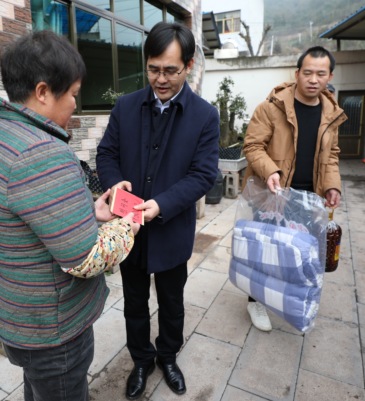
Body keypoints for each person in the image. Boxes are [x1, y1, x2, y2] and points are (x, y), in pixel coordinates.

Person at [0, 31, 140, 401]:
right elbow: (86, 258)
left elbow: (32, 215)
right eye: (74, 95)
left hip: (19, 317)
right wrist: (126, 224)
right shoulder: (42, 152)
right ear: (44, 91)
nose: (75, 107)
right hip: (53, 329)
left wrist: (92, 211)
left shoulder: (2, 131)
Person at [96, 22, 220, 400]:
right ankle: (141, 360)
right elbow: (106, 153)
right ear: (146, 63)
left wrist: (162, 204)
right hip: (128, 228)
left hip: (169, 230)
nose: (161, 79)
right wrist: (116, 183)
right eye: (154, 69)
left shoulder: (204, 115)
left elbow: (203, 174)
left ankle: (167, 356)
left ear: (189, 65)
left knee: (171, 303)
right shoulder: (126, 106)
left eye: (171, 70)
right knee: (134, 302)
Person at [242, 46, 347, 331]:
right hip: (271, 194)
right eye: (308, 72)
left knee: (298, 254)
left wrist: (332, 185)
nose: (313, 79)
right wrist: (270, 170)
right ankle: (256, 301)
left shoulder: (331, 114)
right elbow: (252, 145)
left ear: (329, 76)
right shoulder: (271, 106)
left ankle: (287, 298)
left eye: (320, 74)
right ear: (297, 73)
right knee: (263, 253)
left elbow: (332, 155)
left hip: (308, 200)